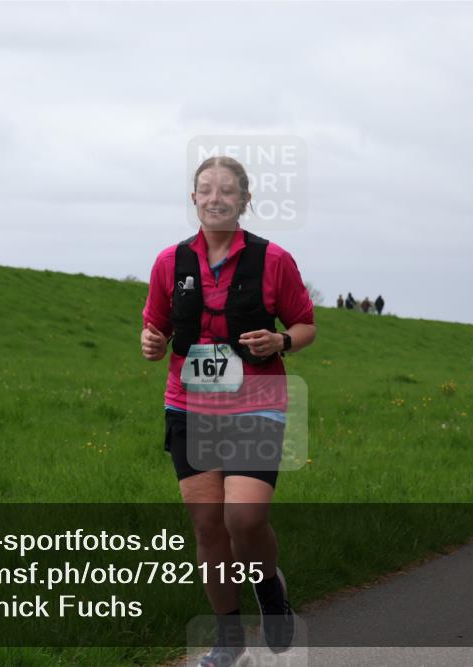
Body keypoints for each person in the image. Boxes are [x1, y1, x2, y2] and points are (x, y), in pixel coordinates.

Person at [141, 156, 316, 667]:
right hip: (189, 407)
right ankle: (229, 640)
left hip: (256, 404)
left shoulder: (274, 260)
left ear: (244, 200)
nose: (215, 198)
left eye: (227, 191)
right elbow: (154, 328)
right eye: (205, 190)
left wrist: (281, 339)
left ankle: (268, 588)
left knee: (244, 517)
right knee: (210, 528)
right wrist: (151, 344)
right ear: (192, 199)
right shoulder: (169, 263)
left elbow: (305, 325)